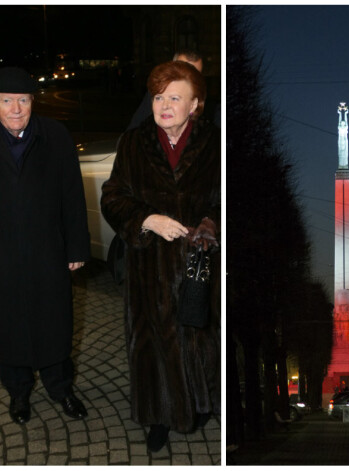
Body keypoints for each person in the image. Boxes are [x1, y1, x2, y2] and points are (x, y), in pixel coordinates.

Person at [101, 61, 220, 453]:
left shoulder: (214, 144)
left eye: (175, 97)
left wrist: (209, 223)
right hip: (148, 267)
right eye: (158, 97)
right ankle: (158, 418)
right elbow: (113, 197)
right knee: (153, 343)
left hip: (197, 266)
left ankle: (200, 405)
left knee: (198, 339)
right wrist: (147, 219)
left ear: (195, 104)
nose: (164, 105)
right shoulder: (134, 144)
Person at [0, 67, 90, 425]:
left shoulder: (55, 135)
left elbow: (72, 194)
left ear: (33, 102)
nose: (16, 108)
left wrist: (77, 248)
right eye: (6, 101)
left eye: (23, 100)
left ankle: (61, 388)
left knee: (55, 323)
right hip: (3, 256)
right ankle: (18, 394)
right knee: (8, 327)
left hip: (48, 250)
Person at [126, 49, 218, 130]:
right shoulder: (154, 96)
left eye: (195, 76)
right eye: (181, 72)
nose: (187, 79)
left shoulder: (212, 109)